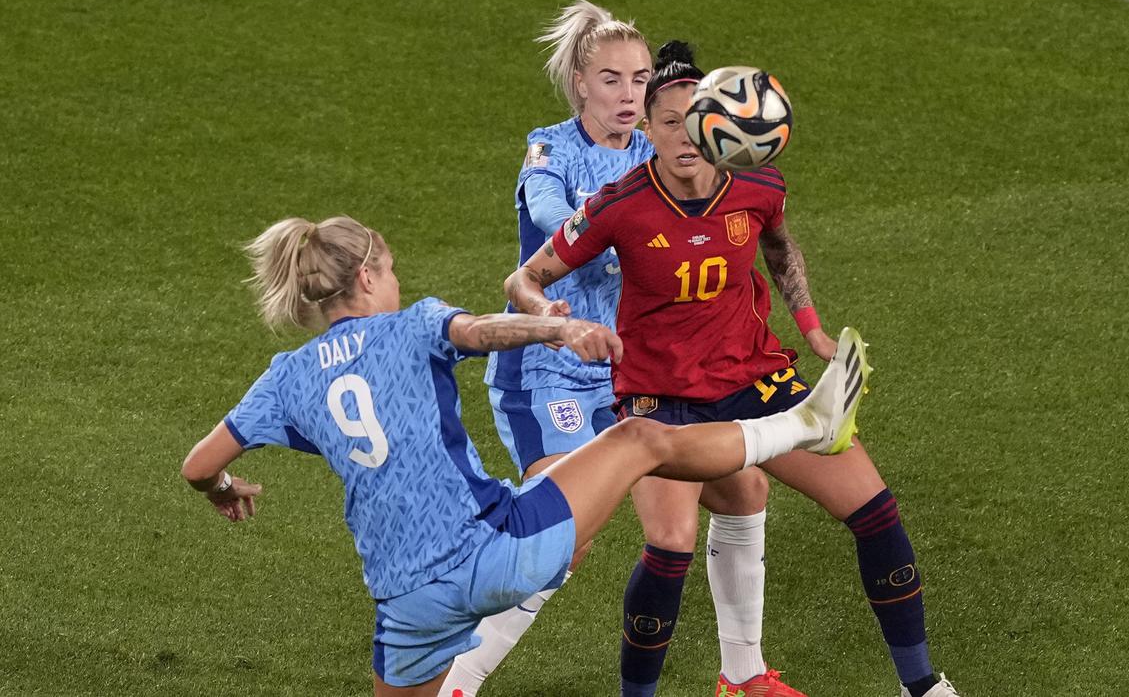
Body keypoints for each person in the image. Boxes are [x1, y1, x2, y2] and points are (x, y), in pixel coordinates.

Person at [180, 216, 871, 697]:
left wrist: (224, 486)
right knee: (636, 440)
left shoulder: (286, 377)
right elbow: (483, 330)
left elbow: (197, 465)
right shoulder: (410, 324)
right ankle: (805, 422)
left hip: (406, 604)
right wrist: (559, 327)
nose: (394, 280)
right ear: (365, 276)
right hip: (498, 552)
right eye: (388, 270)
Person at [504, 43, 962, 697]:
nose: (683, 135)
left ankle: (921, 687)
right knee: (669, 548)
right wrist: (548, 316)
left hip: (754, 381)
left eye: (694, 120)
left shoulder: (758, 184)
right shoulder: (617, 204)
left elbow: (779, 247)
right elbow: (524, 275)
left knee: (875, 511)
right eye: (666, 122)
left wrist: (810, 329)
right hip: (659, 400)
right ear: (649, 131)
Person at [443, 0, 656, 697]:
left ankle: (741, 670)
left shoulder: (657, 150)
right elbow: (548, 216)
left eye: (641, 79)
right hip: (547, 371)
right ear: (580, 85)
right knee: (563, 532)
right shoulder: (550, 149)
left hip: (628, 368)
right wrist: (623, 225)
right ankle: (455, 676)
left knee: (729, 493)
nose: (629, 95)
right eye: (612, 79)